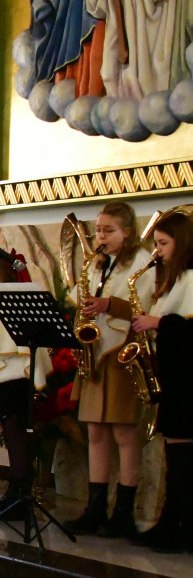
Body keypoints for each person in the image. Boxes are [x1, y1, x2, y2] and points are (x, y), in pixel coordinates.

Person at [63, 201, 152, 537]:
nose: (100, 235)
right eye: (98, 229)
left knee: (124, 434)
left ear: (127, 232)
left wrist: (108, 304)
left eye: (108, 230)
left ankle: (124, 512)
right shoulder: (96, 263)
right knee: (96, 433)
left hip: (121, 353)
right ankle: (95, 508)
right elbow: (80, 301)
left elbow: (147, 306)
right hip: (95, 353)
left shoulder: (142, 262)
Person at [130, 206, 193, 552]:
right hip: (175, 381)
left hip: (188, 385)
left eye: (163, 244)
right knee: (177, 462)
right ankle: (171, 524)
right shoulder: (176, 281)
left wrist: (157, 324)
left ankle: (182, 529)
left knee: (184, 463)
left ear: (182, 243)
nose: (157, 251)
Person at [0, 256, 51, 518]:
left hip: (17, 374)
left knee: (15, 430)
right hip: (8, 371)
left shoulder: (12, 299)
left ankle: (20, 493)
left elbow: (14, 339)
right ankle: (16, 490)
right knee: (11, 430)